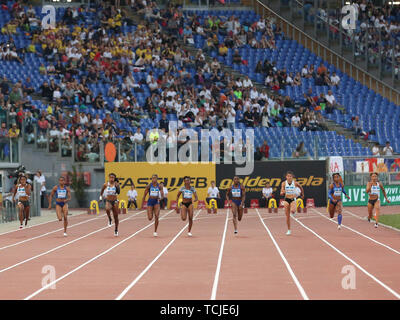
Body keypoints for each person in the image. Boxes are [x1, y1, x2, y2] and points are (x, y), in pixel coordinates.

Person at [280, 171, 304, 235]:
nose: (289, 177)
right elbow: (281, 190)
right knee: (287, 216)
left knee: (293, 210)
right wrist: (283, 192)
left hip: (293, 199)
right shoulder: (284, 183)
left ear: (292, 177)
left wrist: (302, 194)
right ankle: (288, 230)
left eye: (290, 176)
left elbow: (301, 187)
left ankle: (293, 211)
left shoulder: (295, 183)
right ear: (286, 177)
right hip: (286, 199)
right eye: (288, 176)